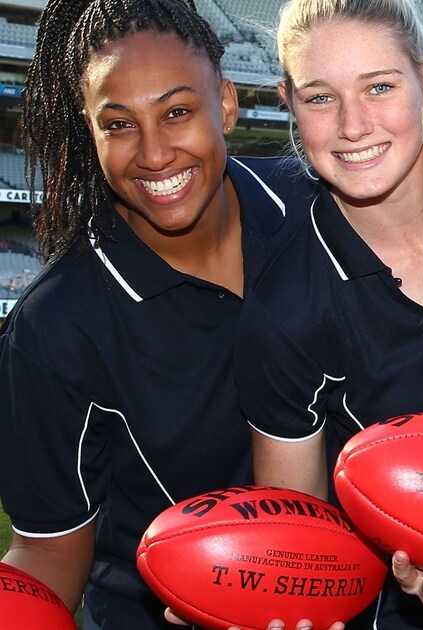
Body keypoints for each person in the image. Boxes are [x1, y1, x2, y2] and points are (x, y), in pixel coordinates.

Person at [0, 0, 315, 626]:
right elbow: (49, 551)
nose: (153, 153)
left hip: (346, 596)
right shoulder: (54, 328)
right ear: (91, 133)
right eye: (119, 124)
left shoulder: (315, 208)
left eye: (176, 112)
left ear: (225, 103)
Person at [235, 0, 423, 626]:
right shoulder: (288, 306)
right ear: (288, 103)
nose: (353, 125)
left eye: (379, 87)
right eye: (320, 98)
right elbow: (302, 544)